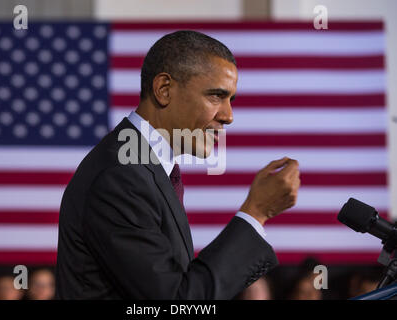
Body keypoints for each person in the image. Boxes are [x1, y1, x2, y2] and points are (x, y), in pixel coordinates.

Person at [55, 30, 300, 299]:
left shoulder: (144, 167)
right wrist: (256, 212)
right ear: (164, 89)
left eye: (231, 100)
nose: (229, 116)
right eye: (216, 96)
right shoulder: (121, 175)